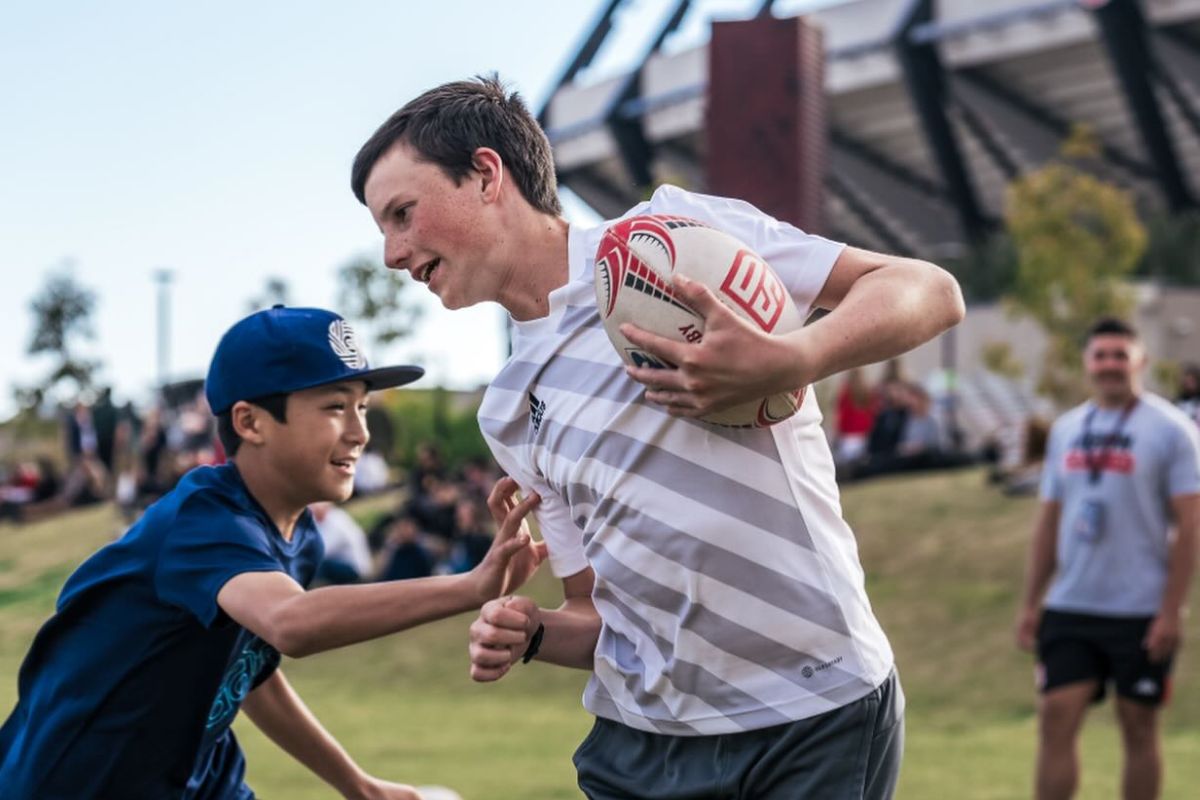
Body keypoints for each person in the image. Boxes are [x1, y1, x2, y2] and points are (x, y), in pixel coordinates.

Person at [351, 75, 964, 799]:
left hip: (812, 717)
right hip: (639, 747)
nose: (392, 253)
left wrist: (796, 356)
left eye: (402, 213)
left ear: (487, 175)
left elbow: (929, 289)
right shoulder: (509, 408)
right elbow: (595, 612)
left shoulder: (668, 240)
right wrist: (536, 632)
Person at [0, 306, 544, 800]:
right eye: (335, 407)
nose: (360, 433)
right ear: (250, 422)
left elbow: (252, 675)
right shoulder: (204, 519)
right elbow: (291, 624)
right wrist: (473, 586)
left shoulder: (296, 534)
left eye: (362, 406)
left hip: (198, 780)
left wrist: (360, 787)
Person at [1014, 317, 1200, 800]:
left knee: (1138, 727)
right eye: (1102, 355)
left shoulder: (1173, 431)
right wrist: (1032, 603)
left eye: (1121, 355)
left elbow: (1190, 526)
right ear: (1087, 363)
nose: (1111, 365)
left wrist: (1171, 610)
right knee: (1056, 720)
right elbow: (1050, 521)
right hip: (1072, 603)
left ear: (1141, 361)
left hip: (1139, 609)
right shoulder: (1067, 429)